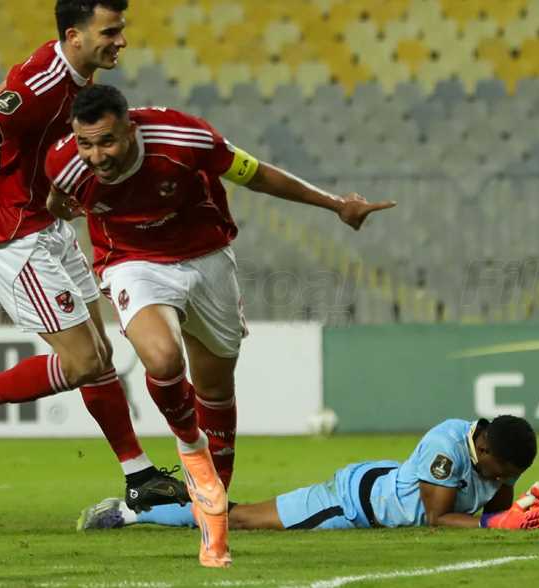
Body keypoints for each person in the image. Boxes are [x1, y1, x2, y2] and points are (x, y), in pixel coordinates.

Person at [44, 84, 397, 566]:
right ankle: (193, 452)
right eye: (86, 144)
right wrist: (59, 206)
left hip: (207, 259)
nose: (96, 156)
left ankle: (214, 511)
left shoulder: (183, 138)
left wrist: (336, 204)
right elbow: (56, 199)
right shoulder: (65, 162)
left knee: (214, 386)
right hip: (133, 263)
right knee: (163, 358)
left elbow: (257, 175)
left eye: (107, 141)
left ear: (130, 127)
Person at [0, 0, 188, 516]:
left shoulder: (72, 72)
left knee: (100, 357)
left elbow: (2, 98)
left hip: (49, 224)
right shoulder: (45, 79)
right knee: (84, 361)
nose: (121, 41)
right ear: (75, 35)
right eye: (110, 31)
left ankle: (139, 476)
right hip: (12, 231)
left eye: (120, 30)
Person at [80, 416, 539, 532]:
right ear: (484, 449)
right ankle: (133, 512)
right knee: (241, 519)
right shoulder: (446, 449)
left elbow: (496, 502)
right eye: (504, 472)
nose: (503, 479)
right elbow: (438, 518)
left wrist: (520, 511)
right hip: (351, 503)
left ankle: (149, 506)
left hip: (387, 483)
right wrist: (498, 523)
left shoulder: (495, 451)